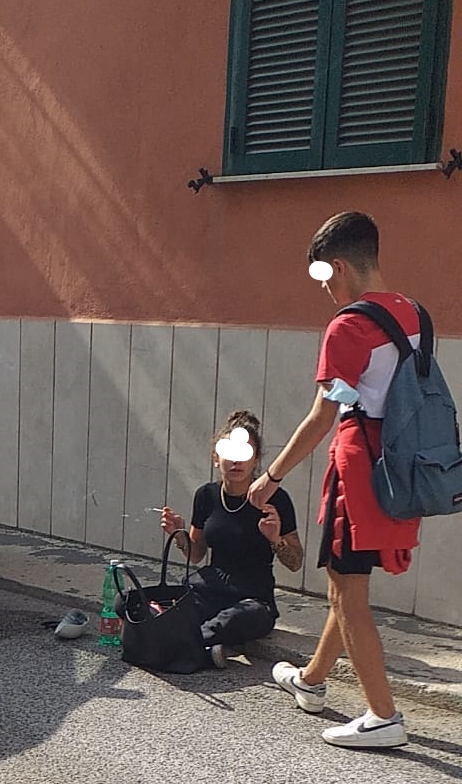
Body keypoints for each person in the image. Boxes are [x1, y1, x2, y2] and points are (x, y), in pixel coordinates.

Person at [249, 211, 419, 750]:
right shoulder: (413, 315)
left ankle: (383, 716)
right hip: (401, 468)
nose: (324, 289)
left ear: (338, 266)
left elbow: (323, 416)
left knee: (348, 592)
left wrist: (271, 475)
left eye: (323, 276)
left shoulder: (348, 326)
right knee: (346, 585)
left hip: (360, 473)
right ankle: (312, 680)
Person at [160, 411, 303, 667]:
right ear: (216, 458)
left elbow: (295, 562)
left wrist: (275, 539)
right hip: (209, 589)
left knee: (236, 619)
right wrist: (178, 534)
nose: (236, 462)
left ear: (256, 459)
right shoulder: (206, 495)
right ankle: (199, 649)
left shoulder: (275, 499)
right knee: (138, 602)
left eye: (245, 453)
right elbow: (196, 554)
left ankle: (180, 643)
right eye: (229, 453)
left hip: (253, 597)